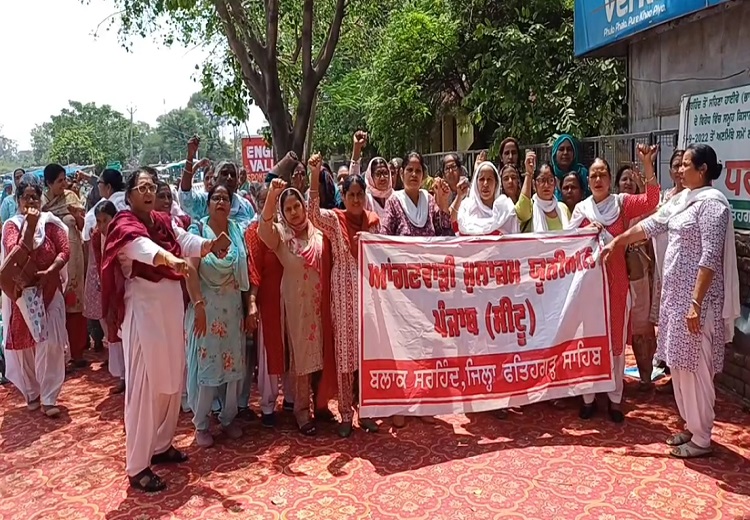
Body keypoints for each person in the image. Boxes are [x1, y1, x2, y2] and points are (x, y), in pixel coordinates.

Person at [600, 143, 739, 458]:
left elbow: (709, 257)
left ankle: (702, 437)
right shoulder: (684, 201)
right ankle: (691, 425)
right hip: (676, 301)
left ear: (702, 169)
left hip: (697, 304)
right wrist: (621, 241)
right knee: (679, 365)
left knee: (697, 369)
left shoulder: (713, 205)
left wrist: (696, 302)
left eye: (686, 164)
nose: (679, 170)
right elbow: (652, 225)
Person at [101, 167, 229, 492]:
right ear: (129, 194)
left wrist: (209, 245)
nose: (148, 192)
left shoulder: (162, 221)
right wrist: (170, 261)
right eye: (142, 187)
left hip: (170, 312)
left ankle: (161, 445)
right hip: (144, 317)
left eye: (152, 186)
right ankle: (137, 465)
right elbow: (143, 249)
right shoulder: (124, 225)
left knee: (172, 381)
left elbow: (182, 239)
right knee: (145, 387)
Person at [565, 145, 660, 423]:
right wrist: (587, 231)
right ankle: (588, 398)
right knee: (589, 341)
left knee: (616, 343)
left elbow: (652, 200)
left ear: (609, 178)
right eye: (593, 175)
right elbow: (568, 246)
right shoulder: (582, 210)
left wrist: (646, 164)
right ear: (588, 180)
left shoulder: (621, 204)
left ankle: (616, 399)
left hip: (617, 287)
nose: (598, 180)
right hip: (589, 289)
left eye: (603, 174)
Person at [308, 153, 381, 437]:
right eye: (350, 194)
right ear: (343, 195)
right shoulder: (335, 221)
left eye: (359, 194)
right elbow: (313, 215)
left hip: (368, 294)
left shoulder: (372, 222)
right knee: (345, 355)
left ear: (364, 196)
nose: (354, 199)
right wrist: (314, 176)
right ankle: (346, 415)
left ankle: (367, 412)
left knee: (366, 354)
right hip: (341, 293)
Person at [381, 152, 452, 427]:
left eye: (417, 170)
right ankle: (400, 403)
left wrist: (444, 207)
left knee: (425, 346)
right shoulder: (394, 202)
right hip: (402, 290)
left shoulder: (431, 201)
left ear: (423, 174)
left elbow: (446, 237)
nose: (412, 174)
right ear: (401, 175)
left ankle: (423, 402)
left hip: (428, 290)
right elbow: (384, 240)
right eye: (408, 170)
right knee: (402, 346)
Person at [258, 179, 325, 436]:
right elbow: (263, 228)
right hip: (297, 304)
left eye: (297, 205)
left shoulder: (317, 231)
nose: (295, 212)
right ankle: (301, 412)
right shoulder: (281, 235)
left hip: (320, 300)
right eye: (288, 209)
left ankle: (320, 406)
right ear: (283, 213)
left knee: (322, 352)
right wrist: (272, 196)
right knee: (301, 357)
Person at [184, 183, 249, 447]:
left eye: (225, 198)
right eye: (216, 198)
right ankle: (201, 423)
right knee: (208, 368)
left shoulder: (236, 231)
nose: (220, 202)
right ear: (208, 203)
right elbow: (190, 271)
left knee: (234, 368)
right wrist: (198, 305)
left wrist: (248, 308)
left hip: (232, 311)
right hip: (207, 311)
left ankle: (228, 418)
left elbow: (242, 273)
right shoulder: (197, 231)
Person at [1, 174, 70, 417]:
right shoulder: (12, 225)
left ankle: (50, 397)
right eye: (26, 197)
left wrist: (51, 270)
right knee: (26, 346)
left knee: (50, 343)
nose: (31, 201)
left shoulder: (50, 222)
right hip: (24, 295)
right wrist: (29, 226)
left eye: (35, 197)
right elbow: (14, 251)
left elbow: (64, 249)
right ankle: (32, 392)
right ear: (18, 200)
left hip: (49, 289)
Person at [246, 185, 295, 427]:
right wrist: (253, 301)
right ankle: (267, 404)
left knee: (291, 347)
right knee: (269, 351)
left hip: (293, 297)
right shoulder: (254, 232)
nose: (271, 205)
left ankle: (292, 397)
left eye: (275, 200)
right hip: (269, 299)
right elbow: (254, 268)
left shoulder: (290, 229)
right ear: (258, 204)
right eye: (267, 200)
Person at [616, 165, 657, 390]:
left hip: (639, 270)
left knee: (641, 325)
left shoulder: (642, 209)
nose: (628, 183)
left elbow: (654, 213)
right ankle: (613, 379)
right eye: (624, 179)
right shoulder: (612, 208)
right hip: (614, 272)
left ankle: (645, 377)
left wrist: (645, 185)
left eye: (632, 180)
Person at [42, 164, 87, 369]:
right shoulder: (41, 203)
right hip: (51, 261)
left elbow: (81, 225)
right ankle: (60, 358)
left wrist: (77, 216)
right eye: (59, 181)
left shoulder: (71, 197)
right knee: (55, 306)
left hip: (74, 256)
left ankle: (77, 353)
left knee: (75, 304)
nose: (64, 184)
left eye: (64, 180)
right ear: (49, 183)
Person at [179, 137, 255, 230]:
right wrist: (190, 157)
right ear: (214, 179)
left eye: (233, 175)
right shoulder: (204, 202)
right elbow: (185, 196)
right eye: (224, 173)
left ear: (237, 182)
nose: (229, 178)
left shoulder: (245, 205)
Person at [93, 201, 124, 394]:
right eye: (99, 221)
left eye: (106, 220)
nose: (103, 226)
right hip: (110, 289)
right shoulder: (97, 238)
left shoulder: (123, 235)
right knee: (113, 330)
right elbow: (99, 264)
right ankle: (122, 376)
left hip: (125, 288)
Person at [451, 156, 518, 236]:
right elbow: (453, 225)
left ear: (496, 183)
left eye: (489, 179)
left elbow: (514, 242)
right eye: (482, 179)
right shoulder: (466, 207)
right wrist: (459, 197)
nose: (485, 184)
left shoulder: (506, 208)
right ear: (476, 183)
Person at [516, 154, 571, 232]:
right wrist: (528, 173)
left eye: (550, 180)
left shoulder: (563, 208)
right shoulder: (530, 208)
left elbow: (573, 235)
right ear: (534, 184)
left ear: (555, 183)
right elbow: (522, 214)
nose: (546, 185)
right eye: (542, 180)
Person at [552, 134, 590, 200]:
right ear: (555, 153)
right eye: (561, 149)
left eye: (569, 149)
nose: (565, 152)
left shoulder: (582, 173)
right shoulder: (550, 175)